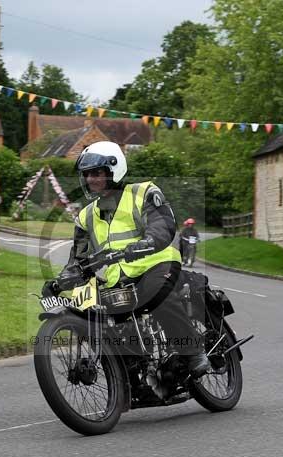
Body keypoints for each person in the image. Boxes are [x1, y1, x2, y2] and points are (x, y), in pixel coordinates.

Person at [44, 141, 210, 379]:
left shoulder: (143, 193)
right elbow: (78, 258)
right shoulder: (86, 216)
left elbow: (162, 225)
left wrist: (145, 243)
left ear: (114, 170)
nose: (90, 179)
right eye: (87, 174)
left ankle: (192, 351)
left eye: (96, 173)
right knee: (108, 323)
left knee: (155, 294)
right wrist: (60, 281)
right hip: (119, 279)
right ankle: (135, 378)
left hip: (156, 264)